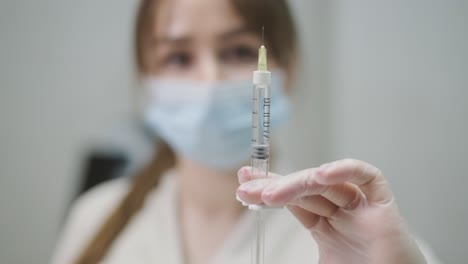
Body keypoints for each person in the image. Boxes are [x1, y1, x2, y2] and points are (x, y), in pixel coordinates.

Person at [51, 0, 441, 263]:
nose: (209, 81)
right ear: (147, 79)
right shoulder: (94, 219)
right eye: (179, 57)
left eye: (237, 51)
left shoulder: (361, 242)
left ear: (286, 68)